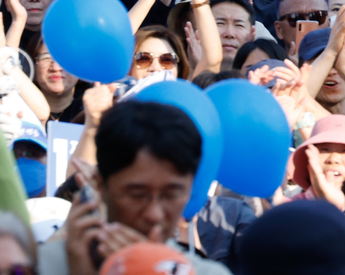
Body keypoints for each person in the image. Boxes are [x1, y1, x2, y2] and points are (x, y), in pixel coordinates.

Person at [47, 100, 232, 275]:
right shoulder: (41, 264)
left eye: (171, 195)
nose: (154, 214)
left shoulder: (206, 272)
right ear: (98, 185)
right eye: (136, 195)